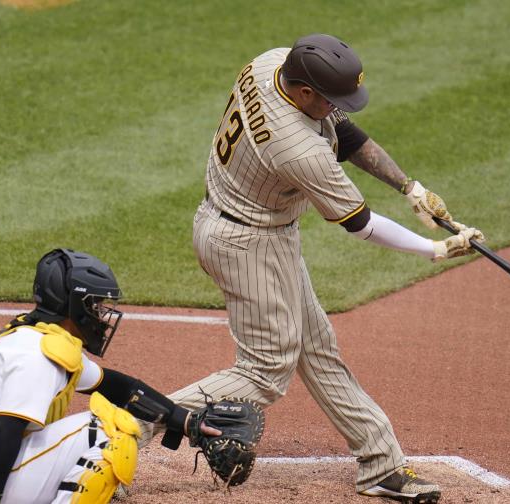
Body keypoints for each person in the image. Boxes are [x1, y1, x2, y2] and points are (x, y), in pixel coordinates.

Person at [161, 33, 484, 503]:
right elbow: (361, 225)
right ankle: (127, 422)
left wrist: (409, 188)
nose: (337, 107)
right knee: (265, 370)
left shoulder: (272, 63)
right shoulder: (297, 148)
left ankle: (380, 463)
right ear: (305, 92)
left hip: (254, 227)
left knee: (316, 347)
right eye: (331, 98)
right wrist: (436, 248)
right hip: (244, 245)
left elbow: (344, 132)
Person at [0, 249, 220, 504]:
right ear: (73, 306)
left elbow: (119, 387)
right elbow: (6, 432)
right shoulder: (38, 356)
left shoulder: (33, 337)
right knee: (110, 433)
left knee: (95, 430)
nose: (102, 315)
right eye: (96, 305)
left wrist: (185, 421)